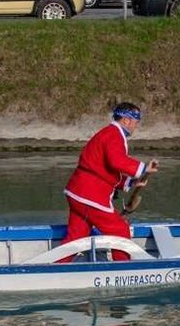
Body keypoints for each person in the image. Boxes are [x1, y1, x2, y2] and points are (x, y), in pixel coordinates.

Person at [58, 102, 157, 263]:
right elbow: (116, 161)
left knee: (75, 237)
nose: (136, 126)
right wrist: (143, 168)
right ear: (126, 120)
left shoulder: (107, 133)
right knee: (120, 230)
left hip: (77, 193)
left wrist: (132, 182)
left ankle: (57, 267)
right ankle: (122, 269)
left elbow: (105, 171)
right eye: (136, 122)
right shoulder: (114, 135)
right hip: (90, 196)